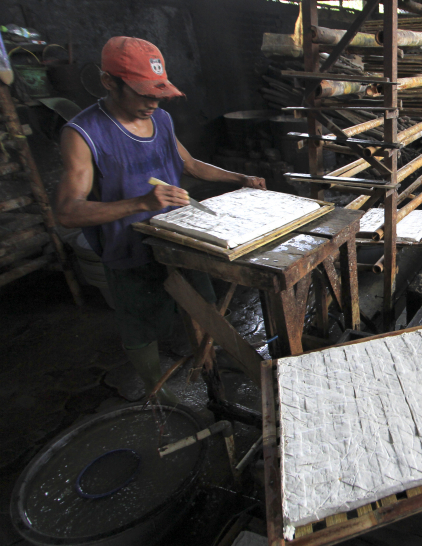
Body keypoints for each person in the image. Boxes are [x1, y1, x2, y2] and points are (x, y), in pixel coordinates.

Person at [56, 37, 266, 405]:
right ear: (109, 82)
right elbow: (67, 210)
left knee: (203, 303)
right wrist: (140, 202)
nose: (153, 102)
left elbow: (190, 165)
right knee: (140, 323)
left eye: (159, 93)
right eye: (142, 93)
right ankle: (158, 390)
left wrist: (240, 179)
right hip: (128, 248)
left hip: (182, 238)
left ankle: (208, 360)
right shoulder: (83, 133)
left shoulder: (162, 120)